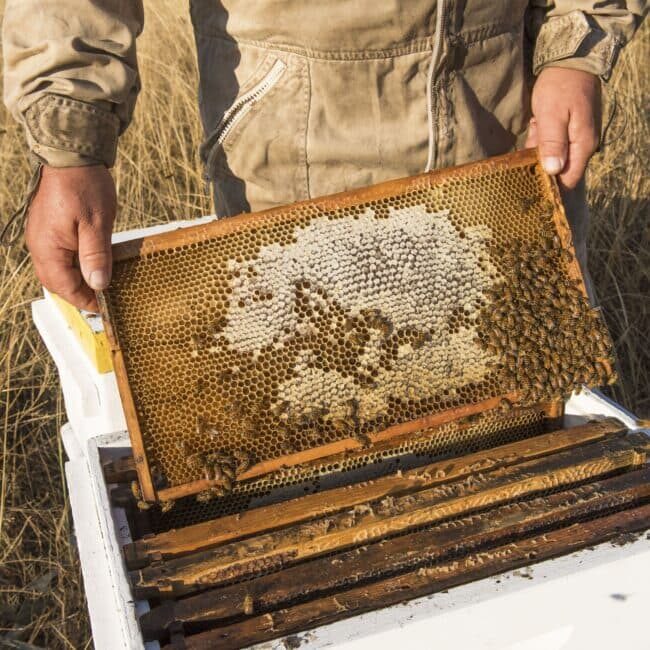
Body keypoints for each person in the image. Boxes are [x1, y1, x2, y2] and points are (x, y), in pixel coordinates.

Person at [2, 1, 646, 311]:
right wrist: (71, 142)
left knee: (517, 437)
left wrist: (576, 44)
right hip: (290, 145)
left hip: (502, 120)